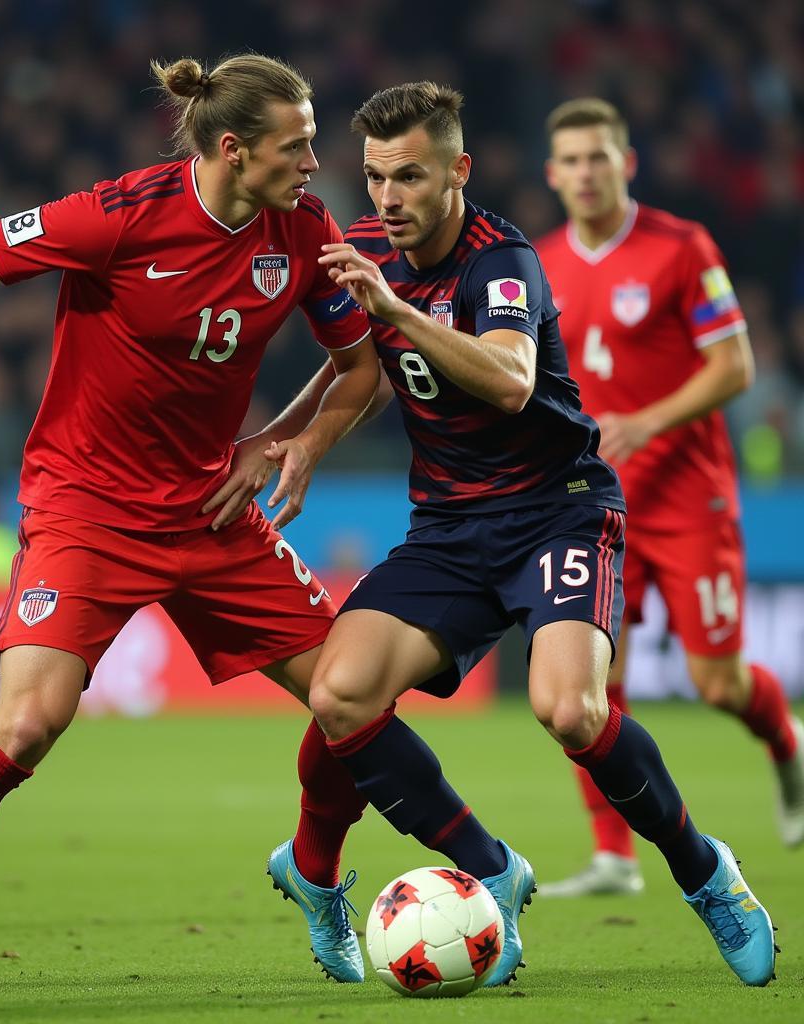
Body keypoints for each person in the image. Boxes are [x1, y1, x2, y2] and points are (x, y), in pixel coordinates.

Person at [0, 54, 379, 993]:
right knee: (29, 724)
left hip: (211, 509)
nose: (317, 161)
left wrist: (280, 442)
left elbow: (358, 370)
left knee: (356, 697)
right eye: (299, 145)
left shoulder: (303, 229)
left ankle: (313, 873)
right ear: (233, 150)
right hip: (88, 507)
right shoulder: (117, 215)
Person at [276, 81, 776, 988]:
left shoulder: (501, 261)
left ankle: (707, 874)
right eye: (376, 178)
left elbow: (509, 380)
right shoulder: (362, 249)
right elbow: (353, 367)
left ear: (458, 172)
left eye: (411, 177)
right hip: (450, 526)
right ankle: (489, 866)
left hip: (559, 506)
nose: (389, 198)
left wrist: (394, 311)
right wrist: (293, 440)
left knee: (569, 709)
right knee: (341, 695)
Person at [535, 98, 804, 898]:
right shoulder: (538, 261)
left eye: (599, 157)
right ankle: (613, 856)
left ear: (627, 162)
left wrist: (644, 423)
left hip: (687, 495)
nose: (586, 173)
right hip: (594, 502)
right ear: (551, 175)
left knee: (716, 680)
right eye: (571, 161)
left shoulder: (681, 248)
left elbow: (735, 367)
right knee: (584, 681)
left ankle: (786, 743)